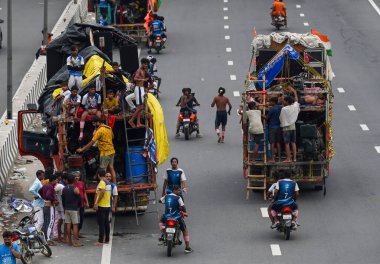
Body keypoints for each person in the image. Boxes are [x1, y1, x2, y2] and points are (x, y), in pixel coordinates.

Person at [77, 116, 117, 183]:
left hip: (105, 153)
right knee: (111, 168)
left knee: (103, 171)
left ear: (98, 122)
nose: (93, 125)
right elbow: (112, 137)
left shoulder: (99, 130)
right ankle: (115, 185)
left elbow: (92, 142)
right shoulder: (108, 128)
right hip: (112, 151)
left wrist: (82, 149)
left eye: (94, 124)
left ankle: (104, 187)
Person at [159, 185, 193, 253]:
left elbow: (159, 200)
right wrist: (184, 212)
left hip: (167, 217)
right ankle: (187, 247)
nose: (179, 191)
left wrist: (165, 202)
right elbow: (183, 207)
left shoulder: (166, 196)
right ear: (174, 190)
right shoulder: (178, 198)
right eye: (178, 190)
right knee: (185, 230)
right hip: (176, 217)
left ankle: (162, 234)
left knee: (161, 220)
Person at [128, 58, 153, 128]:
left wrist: (146, 88)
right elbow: (135, 79)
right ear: (142, 64)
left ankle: (138, 123)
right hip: (138, 88)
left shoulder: (143, 71)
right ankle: (131, 120)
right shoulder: (139, 70)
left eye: (147, 64)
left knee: (140, 107)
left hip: (141, 89)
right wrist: (143, 79)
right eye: (145, 64)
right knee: (140, 107)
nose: (146, 65)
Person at [279, 86, 300, 163]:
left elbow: (281, 118)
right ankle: (294, 158)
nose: (283, 102)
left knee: (287, 144)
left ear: (287, 102)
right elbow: (296, 100)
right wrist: (294, 92)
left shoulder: (284, 109)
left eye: (284, 101)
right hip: (293, 127)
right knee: (293, 143)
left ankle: (288, 158)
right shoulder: (295, 106)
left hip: (286, 128)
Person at [62, 174, 82, 247]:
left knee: (68, 224)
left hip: (67, 208)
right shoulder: (75, 188)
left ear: (67, 180)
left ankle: (69, 241)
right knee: (75, 225)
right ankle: (75, 242)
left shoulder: (64, 189)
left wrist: (64, 207)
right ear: (73, 180)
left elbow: (63, 199)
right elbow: (79, 198)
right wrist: (78, 205)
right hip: (74, 209)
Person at [39, 174, 58, 246]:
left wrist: (43, 198)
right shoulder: (50, 187)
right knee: (50, 222)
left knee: (46, 221)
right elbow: (48, 195)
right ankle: (48, 239)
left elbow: (40, 191)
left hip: (44, 205)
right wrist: (54, 200)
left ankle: (46, 238)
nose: (57, 181)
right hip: (49, 206)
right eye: (56, 180)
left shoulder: (46, 185)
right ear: (53, 180)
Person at [93, 169, 112, 246]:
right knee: (106, 223)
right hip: (107, 205)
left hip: (102, 206)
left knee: (101, 223)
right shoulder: (108, 182)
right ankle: (107, 239)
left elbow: (102, 192)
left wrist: (96, 203)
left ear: (98, 175)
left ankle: (100, 241)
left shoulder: (102, 182)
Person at [73, 171, 89, 237]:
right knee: (76, 220)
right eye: (75, 176)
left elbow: (84, 192)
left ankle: (78, 232)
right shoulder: (72, 184)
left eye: (78, 176)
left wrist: (87, 202)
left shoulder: (82, 183)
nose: (77, 177)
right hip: (75, 205)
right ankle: (75, 233)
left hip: (82, 204)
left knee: (81, 219)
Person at [267, 97, 283, 163]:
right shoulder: (280, 108)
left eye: (270, 102)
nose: (270, 103)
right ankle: (279, 158)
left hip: (272, 127)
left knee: (272, 143)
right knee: (278, 143)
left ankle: (272, 159)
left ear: (274, 102)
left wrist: (260, 115)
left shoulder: (272, 109)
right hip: (279, 127)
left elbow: (267, 118)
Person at [53, 172, 65, 243]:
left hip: (57, 205)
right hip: (59, 206)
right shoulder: (60, 186)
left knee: (57, 220)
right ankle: (56, 235)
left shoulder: (56, 186)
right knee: (57, 220)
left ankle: (57, 234)